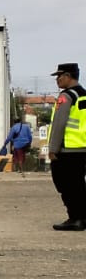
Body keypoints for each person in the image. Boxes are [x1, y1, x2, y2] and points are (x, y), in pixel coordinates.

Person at [46, 62, 85, 230]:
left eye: (59, 76)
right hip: (82, 147)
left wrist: (53, 149)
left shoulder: (66, 96)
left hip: (66, 149)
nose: (57, 80)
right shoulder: (83, 95)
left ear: (68, 76)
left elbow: (59, 124)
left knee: (65, 185)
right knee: (79, 184)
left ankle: (75, 218)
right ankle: (83, 218)